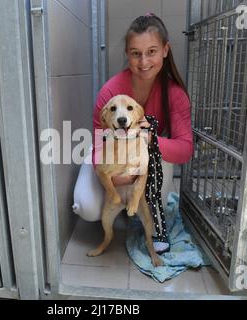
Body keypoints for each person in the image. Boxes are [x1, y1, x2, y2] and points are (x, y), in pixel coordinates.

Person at [72, 13, 193, 253]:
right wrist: (113, 177)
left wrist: (148, 139)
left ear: (165, 50)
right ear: (127, 54)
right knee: (86, 207)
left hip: (144, 156)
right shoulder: (110, 93)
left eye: (152, 51)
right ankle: (120, 206)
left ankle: (150, 217)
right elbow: (98, 146)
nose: (144, 61)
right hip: (110, 157)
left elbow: (185, 149)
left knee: (157, 154)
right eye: (136, 53)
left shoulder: (176, 94)